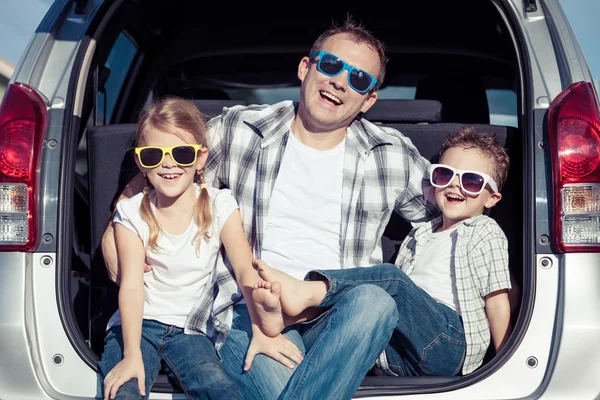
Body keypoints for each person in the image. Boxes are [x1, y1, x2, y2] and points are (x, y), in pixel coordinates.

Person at [102, 16, 439, 400]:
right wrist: (117, 226)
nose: (340, 81)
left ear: (369, 100)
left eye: (360, 79)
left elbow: (454, 212)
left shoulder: (390, 155)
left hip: (339, 319)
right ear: (305, 67)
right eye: (331, 65)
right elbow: (167, 160)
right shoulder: (241, 129)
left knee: (375, 300)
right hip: (249, 314)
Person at [254, 127, 514, 377]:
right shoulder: (419, 235)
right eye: (444, 175)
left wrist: (505, 362)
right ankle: (293, 319)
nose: (455, 186)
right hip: (404, 354)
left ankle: (309, 291)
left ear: (492, 198)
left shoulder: (483, 231)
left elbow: (497, 300)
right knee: (362, 309)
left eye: (471, 181)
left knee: (391, 281)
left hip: (449, 341)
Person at [98, 97, 301, 400]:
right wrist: (130, 354)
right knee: (123, 390)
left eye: (181, 153)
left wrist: (261, 329)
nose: (168, 164)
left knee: (220, 391)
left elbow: (245, 269)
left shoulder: (220, 205)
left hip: (192, 330)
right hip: (137, 325)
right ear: (141, 162)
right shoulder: (131, 212)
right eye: (154, 155)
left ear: (201, 158)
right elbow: (130, 287)